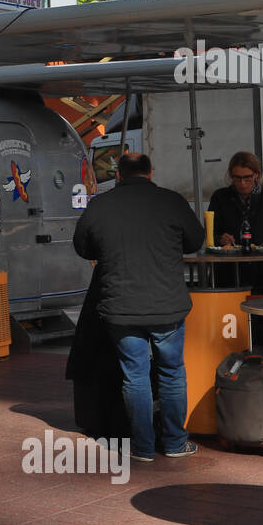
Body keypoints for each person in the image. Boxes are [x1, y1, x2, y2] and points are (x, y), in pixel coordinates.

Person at [72, 152, 205, 462]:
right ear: (151, 172)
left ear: (118, 174)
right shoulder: (171, 201)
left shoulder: (100, 205)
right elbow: (195, 240)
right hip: (166, 307)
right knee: (172, 373)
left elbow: (82, 246)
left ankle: (143, 447)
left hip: (121, 307)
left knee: (135, 376)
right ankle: (174, 443)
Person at [208, 151, 263, 292]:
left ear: (256, 175)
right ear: (230, 176)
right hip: (228, 273)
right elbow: (211, 233)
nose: (242, 183)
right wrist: (221, 238)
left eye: (247, 178)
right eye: (237, 178)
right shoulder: (220, 197)